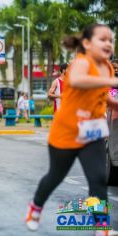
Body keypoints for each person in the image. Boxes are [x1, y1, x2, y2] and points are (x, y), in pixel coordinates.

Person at [25, 24, 118, 235]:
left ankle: (101, 226)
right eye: (101, 39)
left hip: (92, 132)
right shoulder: (80, 64)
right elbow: (78, 81)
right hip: (66, 132)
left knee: (97, 179)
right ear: (86, 44)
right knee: (55, 177)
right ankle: (36, 207)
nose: (107, 44)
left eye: (110, 40)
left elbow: (103, 96)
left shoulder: (108, 68)